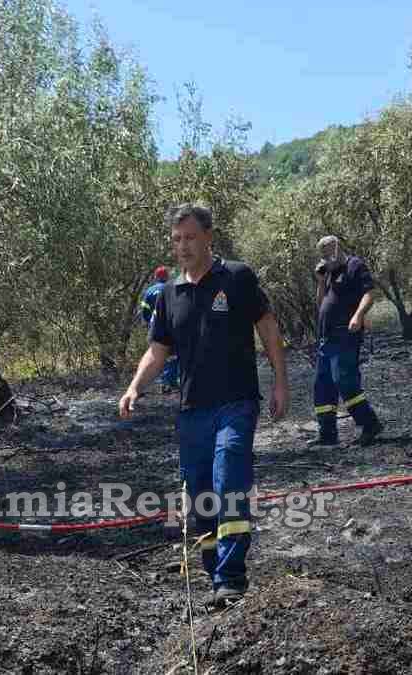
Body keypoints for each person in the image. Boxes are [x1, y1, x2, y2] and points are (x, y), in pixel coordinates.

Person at [119, 203, 289, 608]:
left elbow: (267, 326)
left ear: (209, 237)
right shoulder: (169, 295)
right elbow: (157, 352)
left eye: (191, 237)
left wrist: (281, 381)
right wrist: (133, 388)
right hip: (193, 410)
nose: (183, 246)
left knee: (229, 476)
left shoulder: (238, 277)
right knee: (199, 496)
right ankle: (215, 573)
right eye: (177, 239)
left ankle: (232, 577)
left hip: (236, 401)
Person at [311, 235, 383, 447]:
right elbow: (321, 302)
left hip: (345, 335)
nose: (325, 257)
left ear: (337, 247)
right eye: (322, 254)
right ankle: (327, 433)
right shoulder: (330, 273)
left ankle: (370, 425)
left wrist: (358, 316)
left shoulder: (354, 265)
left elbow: (369, 293)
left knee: (344, 380)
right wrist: (321, 281)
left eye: (328, 252)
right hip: (327, 337)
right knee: (322, 385)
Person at [138, 266, 179, 390]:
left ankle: (145, 384)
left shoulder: (149, 291)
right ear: (167, 276)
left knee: (155, 354)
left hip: (154, 326)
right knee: (173, 355)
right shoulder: (172, 288)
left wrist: (147, 323)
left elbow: (144, 310)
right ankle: (168, 383)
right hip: (170, 325)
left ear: (156, 277)